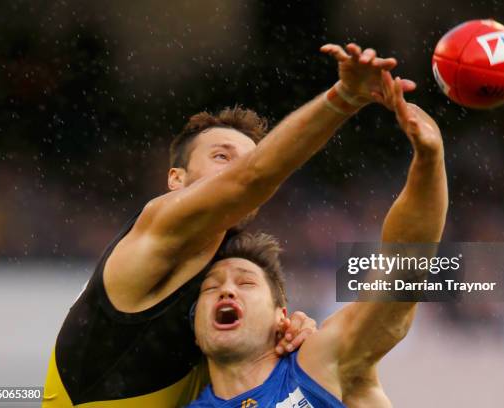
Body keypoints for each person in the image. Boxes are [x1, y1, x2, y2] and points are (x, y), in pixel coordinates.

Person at [42, 43, 416, 407]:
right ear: (176, 179)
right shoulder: (157, 228)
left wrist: (290, 330)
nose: (237, 167)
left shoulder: (231, 272)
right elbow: (251, 179)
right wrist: (345, 98)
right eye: (222, 156)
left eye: (249, 158)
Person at [187, 77, 448, 407]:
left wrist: (428, 162)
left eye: (246, 282)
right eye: (211, 288)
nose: (226, 290)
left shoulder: (321, 365)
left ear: (281, 318)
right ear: (195, 331)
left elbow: (403, 272)